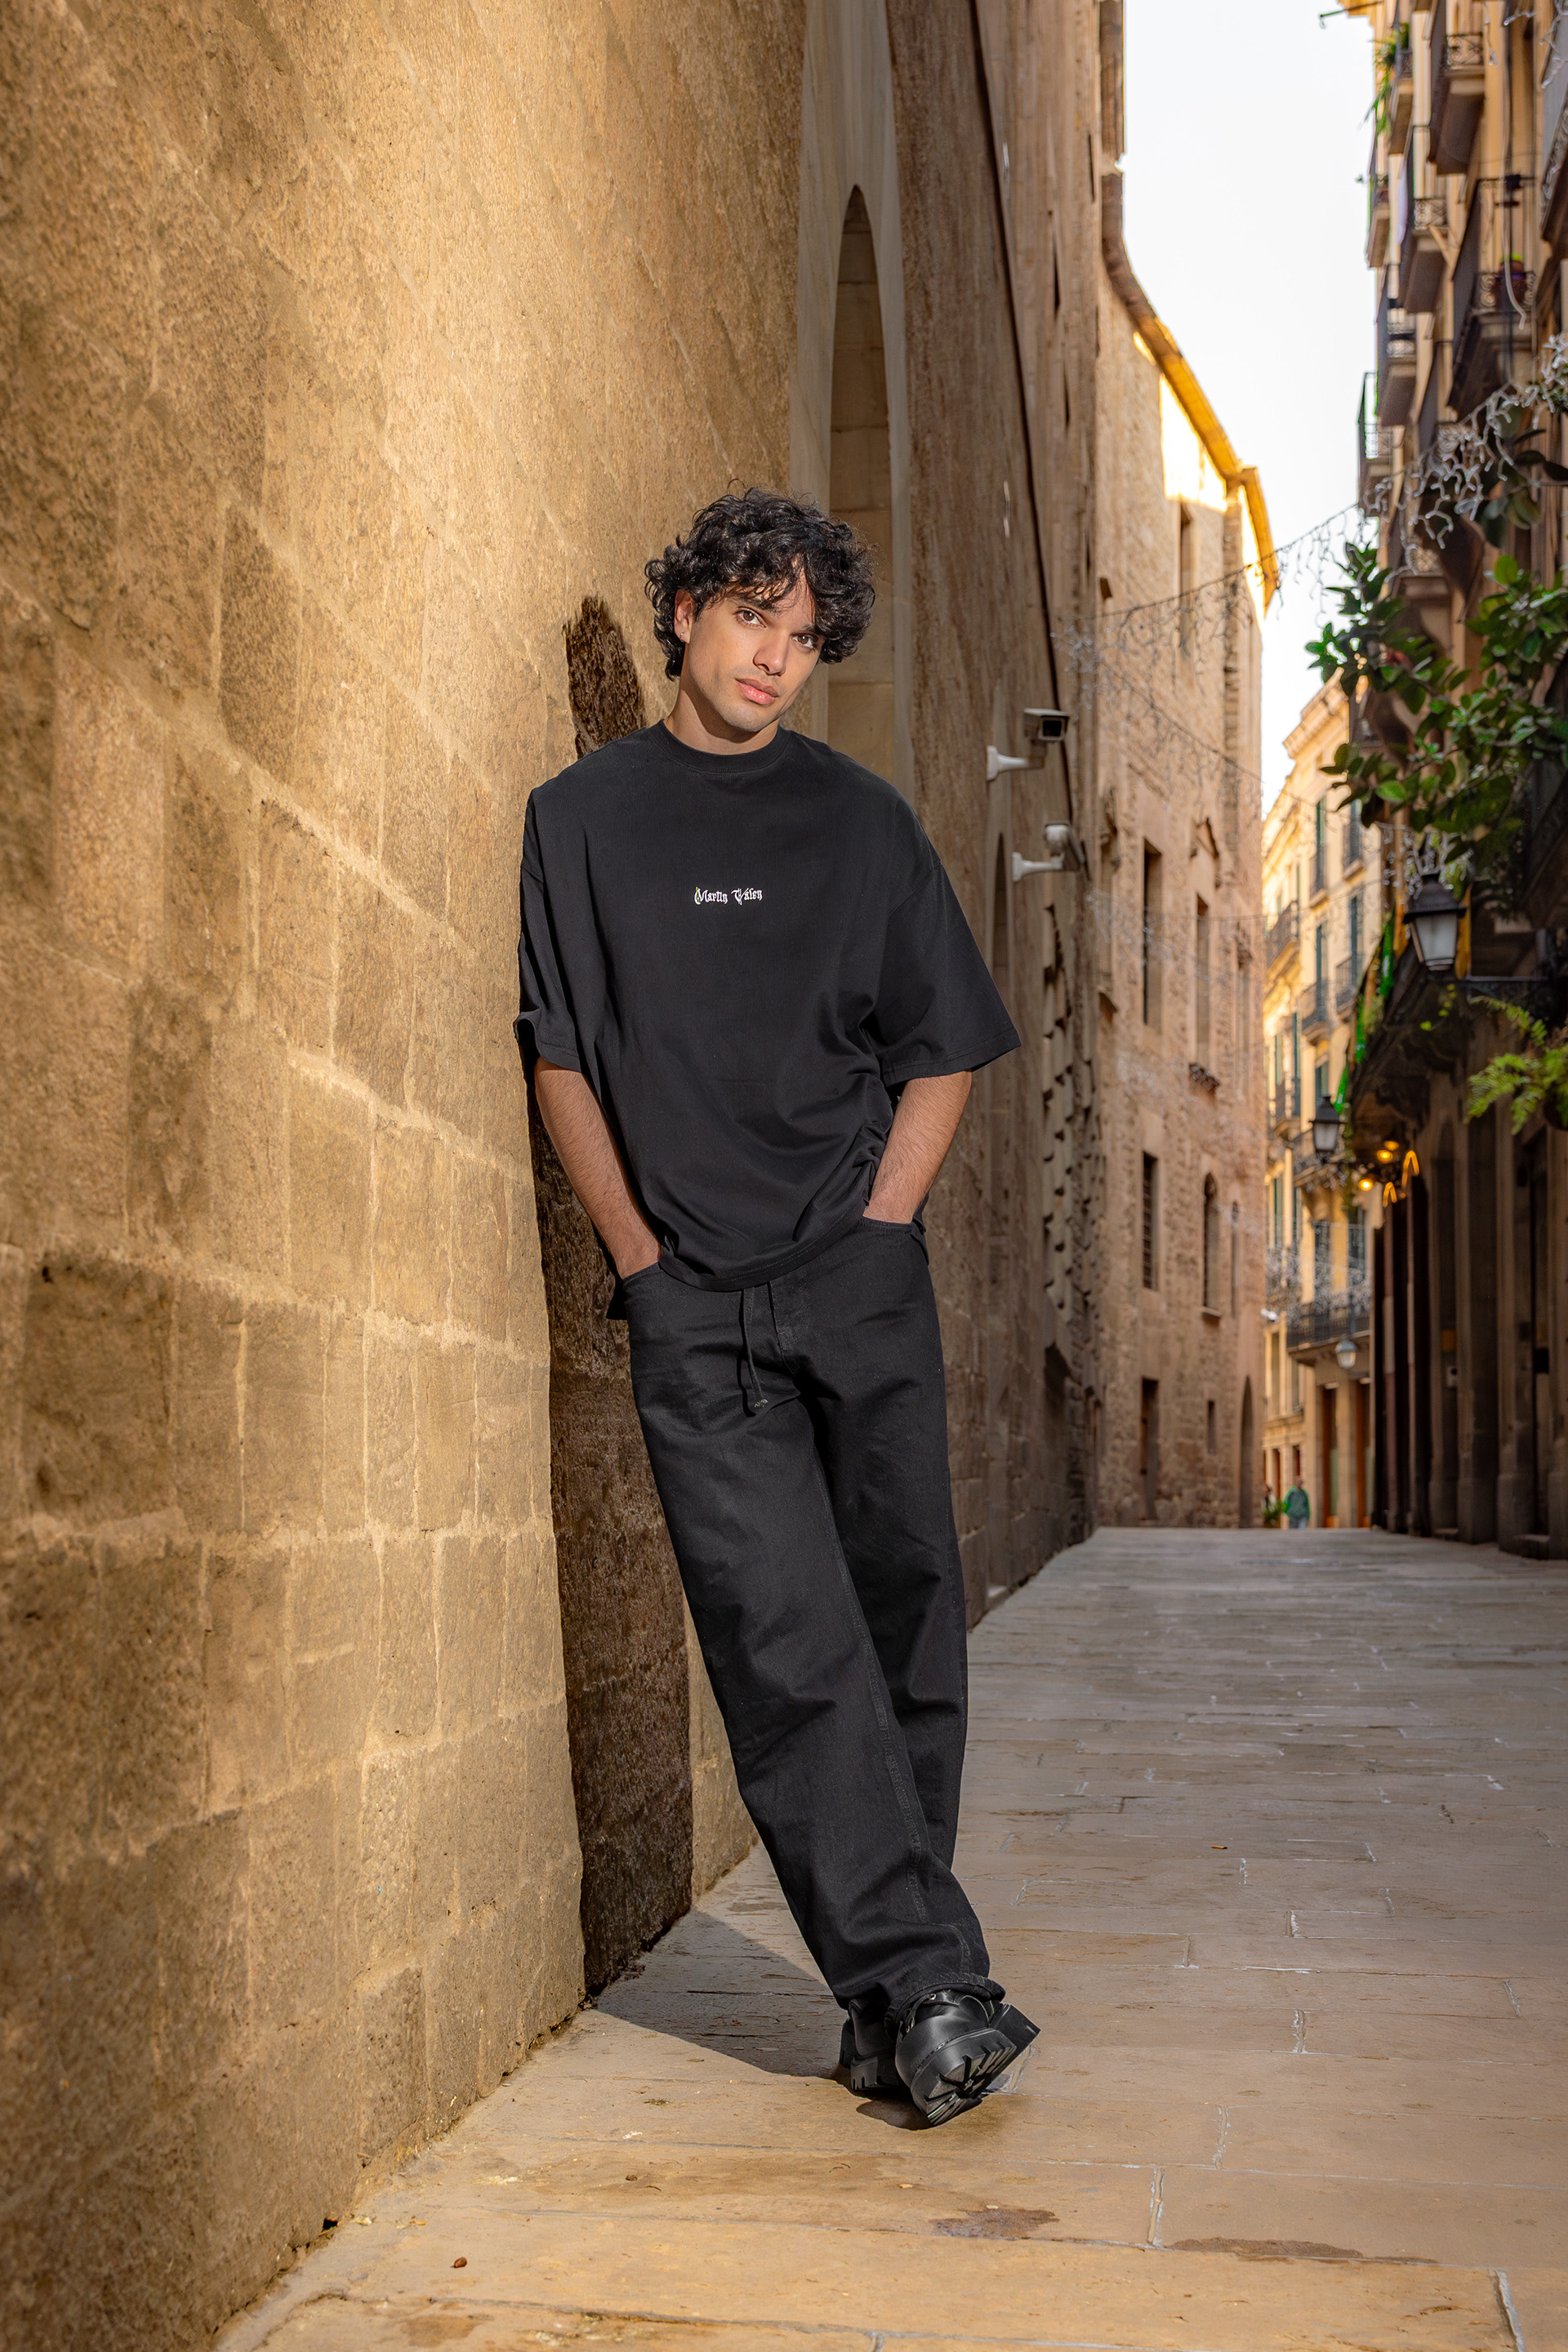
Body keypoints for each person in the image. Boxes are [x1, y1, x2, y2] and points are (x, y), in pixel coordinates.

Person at [516, 488, 1038, 2127]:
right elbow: (561, 1055)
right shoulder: (579, 821)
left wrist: (881, 1226)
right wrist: (638, 1259)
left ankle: (892, 1999)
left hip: (855, 1286)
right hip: (693, 1304)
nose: (776, 659)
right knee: (784, 1642)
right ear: (685, 611)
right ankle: (934, 1984)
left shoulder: (861, 825)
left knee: (905, 1628)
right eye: (754, 617)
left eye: (806, 638)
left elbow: (945, 1048)